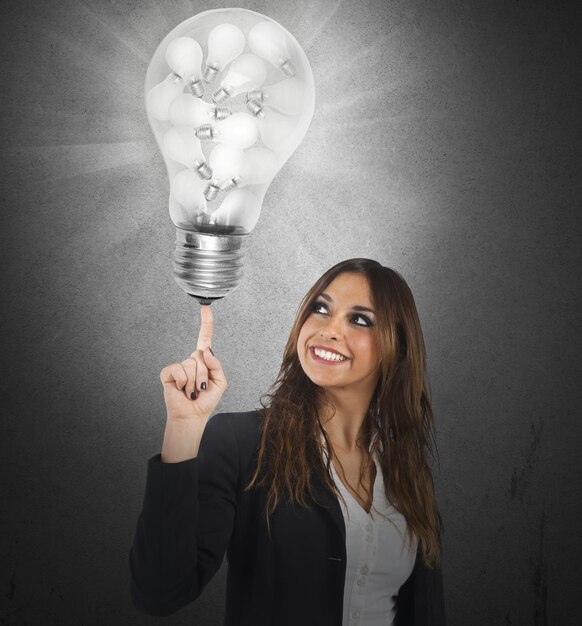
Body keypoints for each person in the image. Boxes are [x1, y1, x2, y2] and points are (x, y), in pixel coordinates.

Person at [130, 258, 446, 626]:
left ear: (398, 345)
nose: (328, 330)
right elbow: (159, 592)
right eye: (321, 309)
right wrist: (183, 428)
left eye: (359, 319)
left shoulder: (406, 467)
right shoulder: (242, 443)